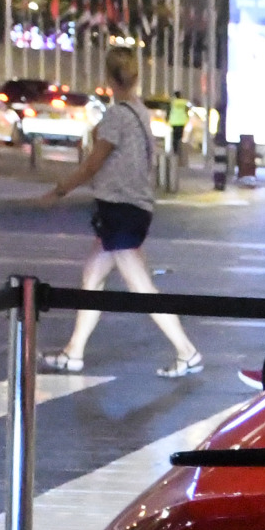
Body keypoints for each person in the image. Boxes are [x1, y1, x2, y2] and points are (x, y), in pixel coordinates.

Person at [39, 50, 202, 377]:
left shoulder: (116, 116)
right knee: (92, 276)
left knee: (141, 287)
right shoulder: (140, 112)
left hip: (121, 211)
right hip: (133, 207)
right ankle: (74, 351)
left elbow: (92, 164)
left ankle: (187, 352)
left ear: (110, 80)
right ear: (136, 77)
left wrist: (59, 190)